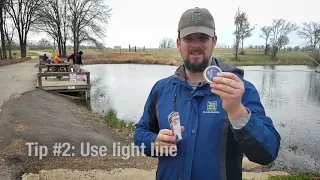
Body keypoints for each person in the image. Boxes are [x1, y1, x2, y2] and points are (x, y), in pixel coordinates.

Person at [134, 7, 281, 180]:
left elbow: (267, 153)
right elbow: (140, 132)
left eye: (203, 38)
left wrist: (238, 112)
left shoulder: (240, 89)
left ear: (214, 41)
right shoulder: (161, 89)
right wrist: (153, 142)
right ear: (178, 43)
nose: (195, 45)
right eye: (188, 38)